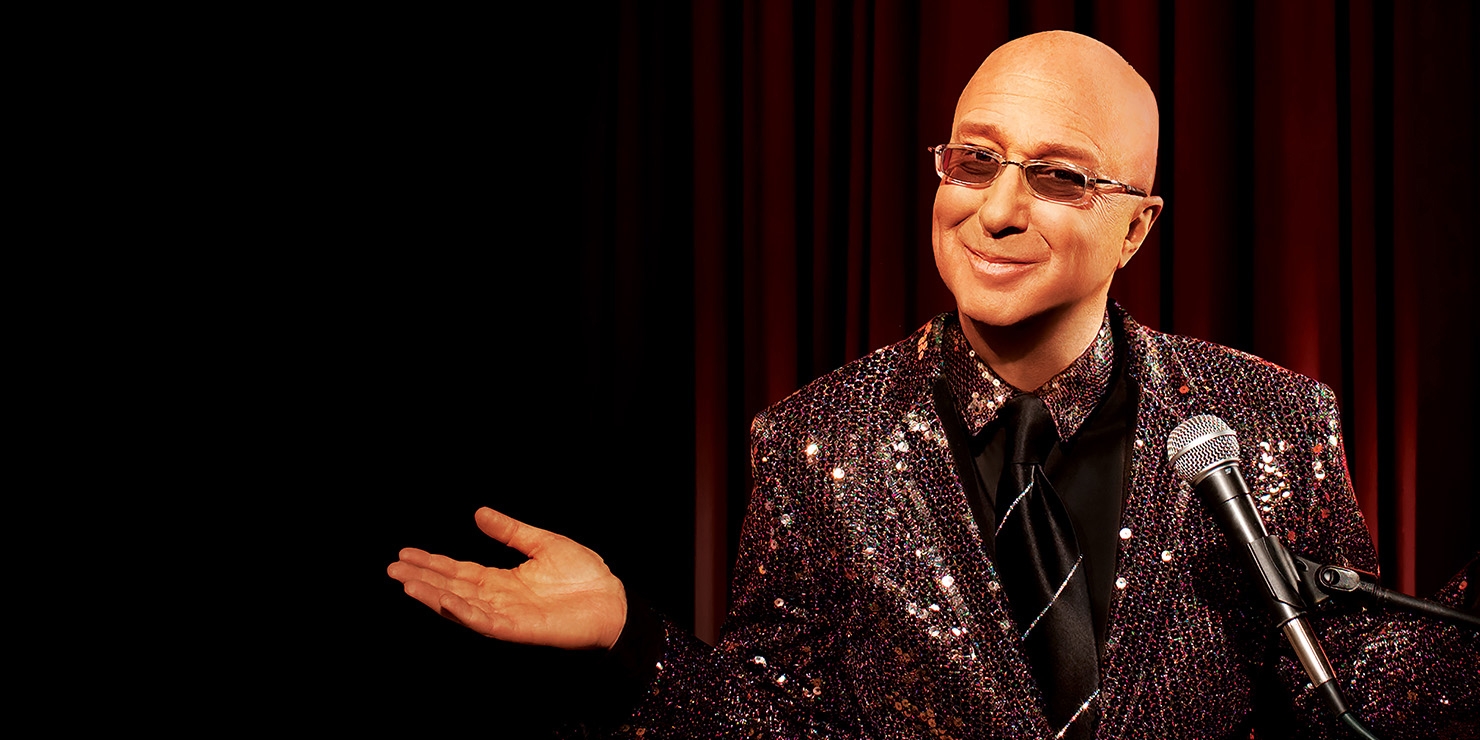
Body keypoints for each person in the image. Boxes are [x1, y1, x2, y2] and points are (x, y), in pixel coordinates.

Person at [388, 31, 1477, 739]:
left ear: (1135, 224)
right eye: (972, 159)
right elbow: (778, 723)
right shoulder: (810, 442)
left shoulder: (1272, 422)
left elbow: (1356, 695)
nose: (996, 209)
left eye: (1056, 175)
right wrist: (629, 637)